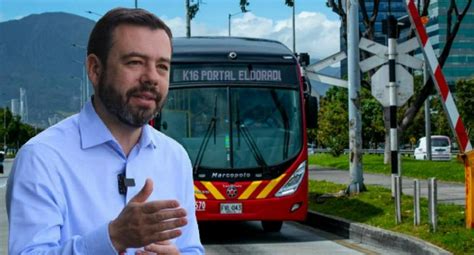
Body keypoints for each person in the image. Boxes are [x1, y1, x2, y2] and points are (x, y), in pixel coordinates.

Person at [6, 8, 204, 254]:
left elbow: (191, 248)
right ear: (95, 69)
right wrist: (113, 238)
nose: (152, 77)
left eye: (162, 66)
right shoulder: (42, 158)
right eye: (135, 62)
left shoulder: (175, 157)